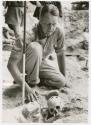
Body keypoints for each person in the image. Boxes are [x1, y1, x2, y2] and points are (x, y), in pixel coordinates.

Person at [7, 4, 67, 101]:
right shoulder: (27, 34)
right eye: (47, 24)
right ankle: (32, 84)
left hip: (39, 63)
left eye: (54, 24)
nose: (51, 28)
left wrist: (65, 79)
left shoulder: (58, 31)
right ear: (40, 20)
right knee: (36, 48)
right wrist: (27, 89)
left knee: (60, 81)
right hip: (22, 63)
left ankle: (26, 80)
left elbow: (60, 54)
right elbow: (11, 65)